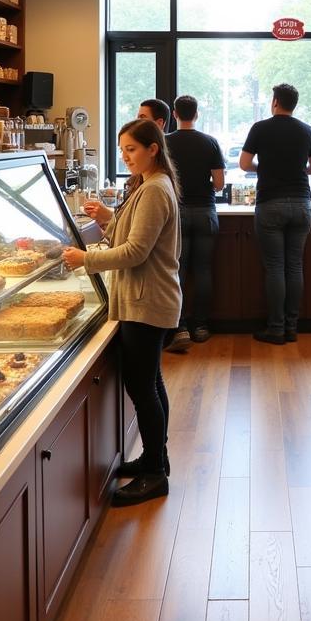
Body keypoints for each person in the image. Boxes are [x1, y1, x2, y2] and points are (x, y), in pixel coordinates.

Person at [63, 118, 181, 507]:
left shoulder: (154, 190)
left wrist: (86, 258)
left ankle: (155, 475)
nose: (126, 156)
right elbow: (134, 236)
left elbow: (135, 253)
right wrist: (106, 219)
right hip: (147, 300)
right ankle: (154, 457)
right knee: (150, 382)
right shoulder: (151, 185)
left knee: (142, 387)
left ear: (153, 148)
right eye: (122, 150)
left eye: (132, 149)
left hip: (148, 303)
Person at [239, 83, 311, 344]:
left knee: (275, 266)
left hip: (270, 203)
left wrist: (265, 169)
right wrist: (296, 169)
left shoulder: (260, 128)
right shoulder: (307, 130)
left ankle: (276, 329)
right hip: (301, 203)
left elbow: (243, 163)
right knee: (294, 265)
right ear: (293, 104)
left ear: (275, 102)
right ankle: (292, 327)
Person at [165, 94, 225, 348]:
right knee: (202, 271)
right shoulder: (210, 143)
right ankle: (200, 326)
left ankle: (178, 327)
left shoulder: (164, 143)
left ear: (175, 115)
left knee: (176, 271)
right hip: (204, 212)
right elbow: (220, 184)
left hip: (175, 213)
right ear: (196, 114)